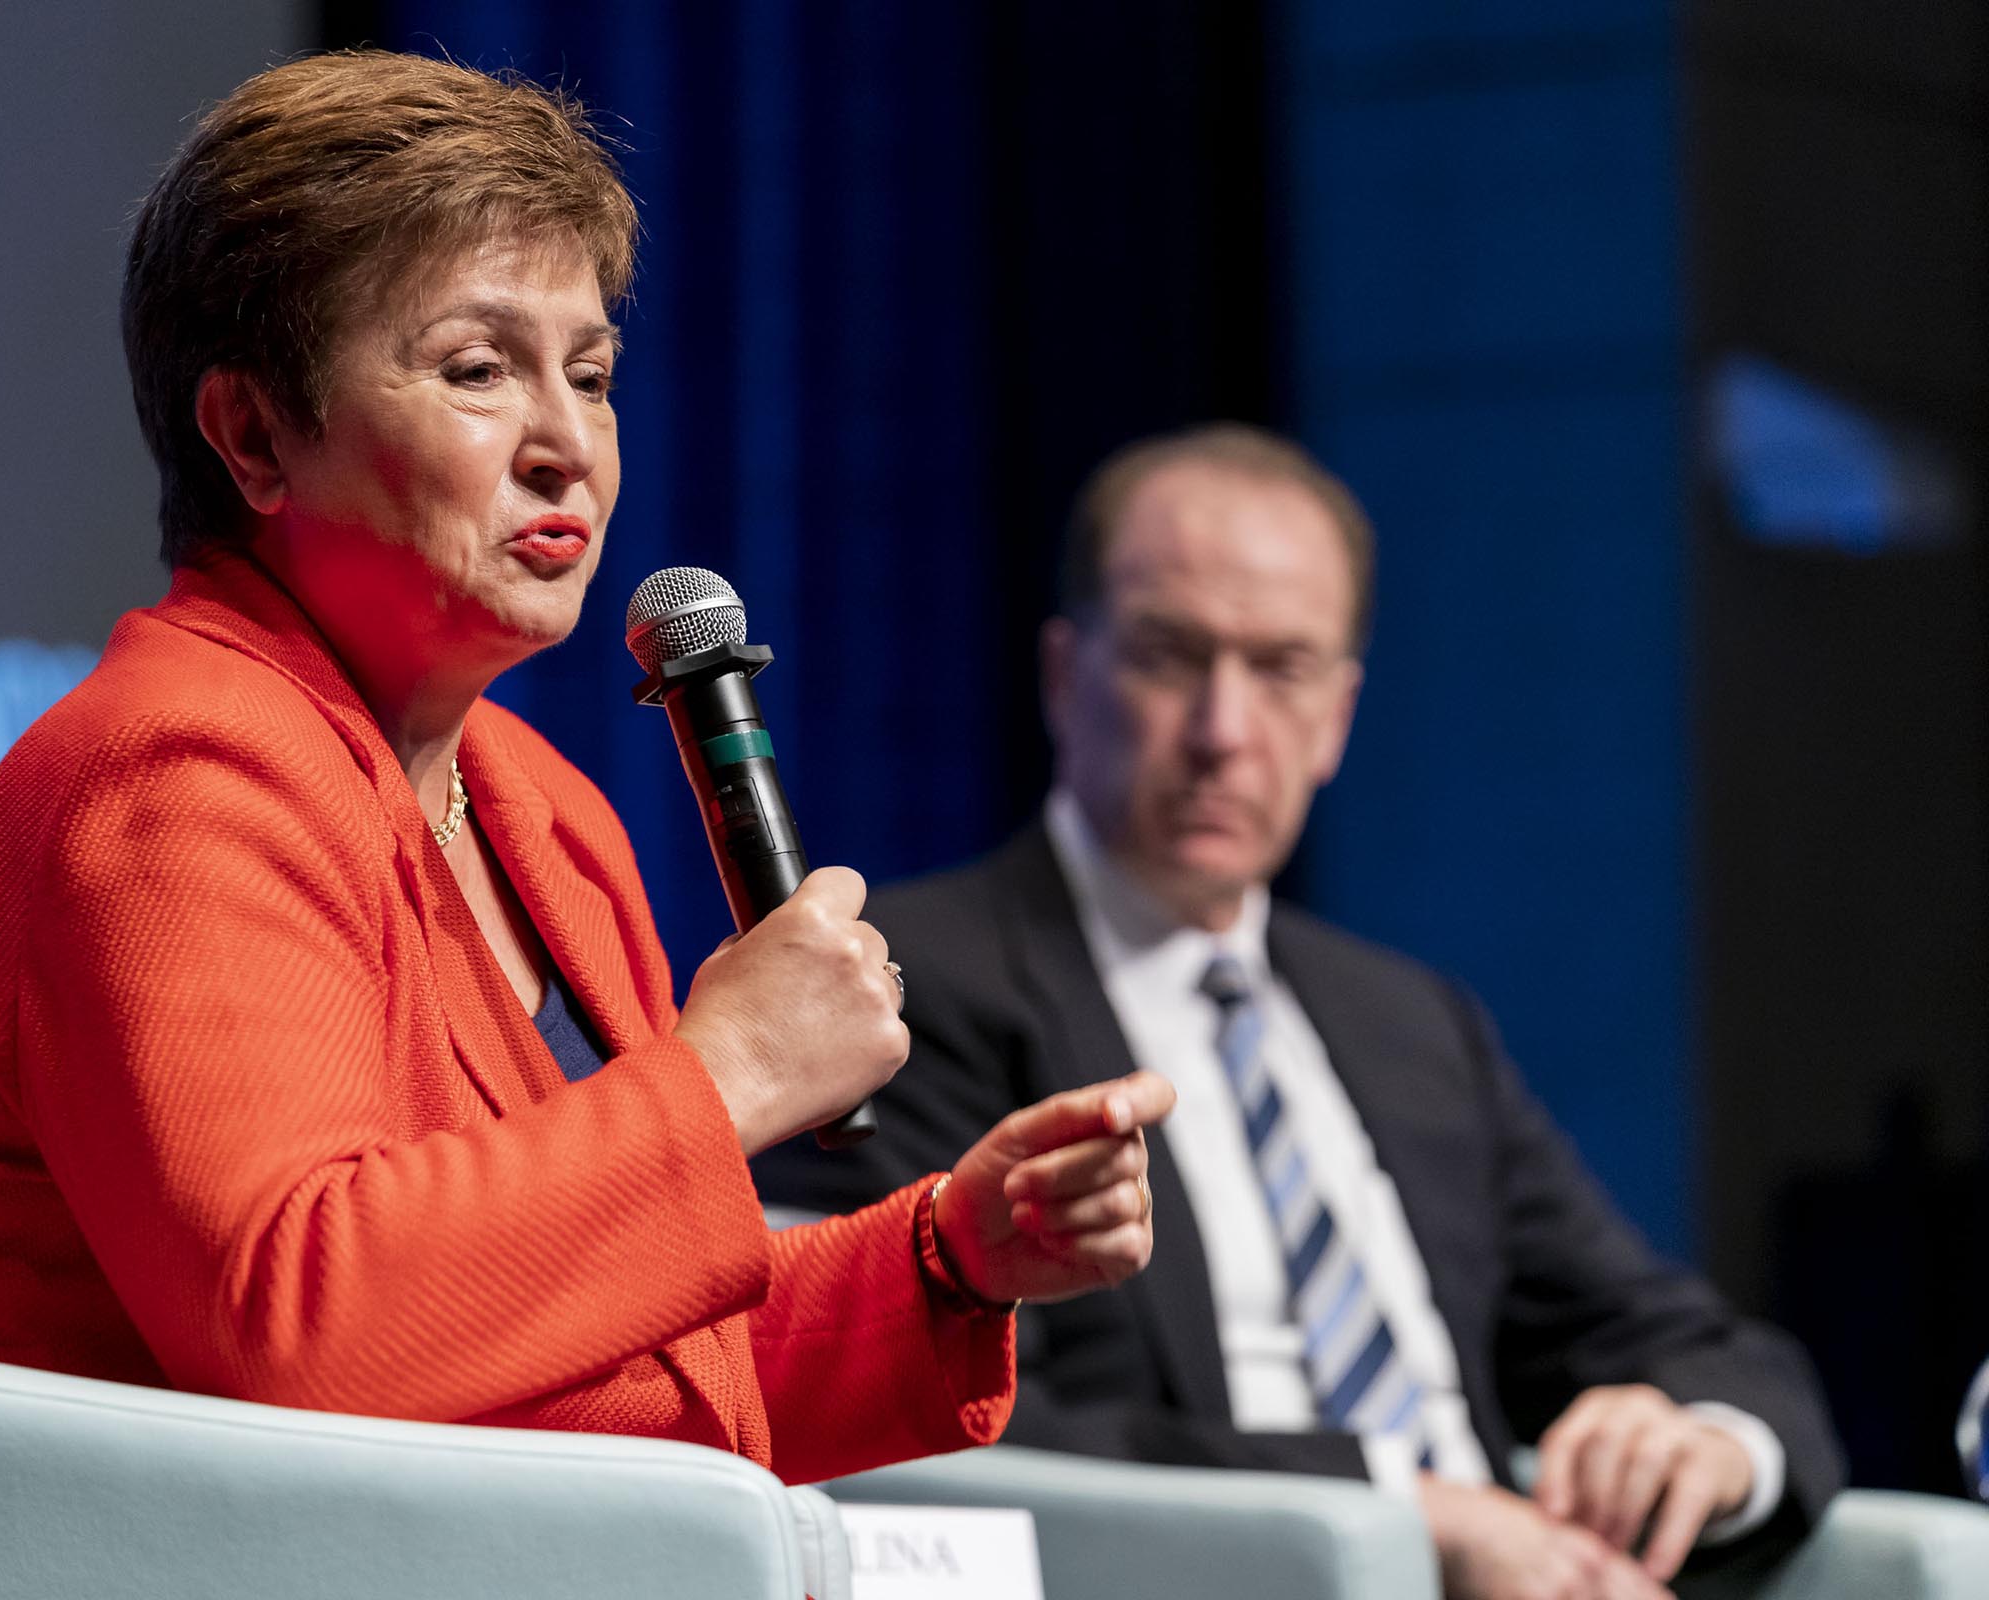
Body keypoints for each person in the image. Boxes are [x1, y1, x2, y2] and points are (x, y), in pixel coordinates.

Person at [0, 51, 1178, 1486]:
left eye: (590, 377)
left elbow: (598, 1357)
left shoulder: (546, 812)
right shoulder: (174, 775)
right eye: (478, 370)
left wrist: (951, 1261)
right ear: (253, 436)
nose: (567, 449)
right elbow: (315, 1336)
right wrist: (724, 1080)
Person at [754, 425, 1846, 1592]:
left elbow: (1678, 1336)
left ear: (1336, 717)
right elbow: (933, 1407)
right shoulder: (906, 983)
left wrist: (1705, 1442)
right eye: (1172, 657)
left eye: (1280, 670)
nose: (1223, 733)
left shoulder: (1414, 1024)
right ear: (1067, 676)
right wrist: (1402, 1512)